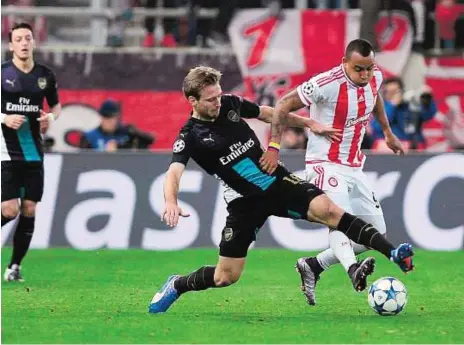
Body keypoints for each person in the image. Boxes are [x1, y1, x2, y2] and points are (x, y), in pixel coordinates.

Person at [149, 66, 414, 313]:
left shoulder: (229, 104)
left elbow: (268, 113)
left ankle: (391, 251)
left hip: (277, 181)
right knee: (225, 277)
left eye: (218, 95)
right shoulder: (190, 136)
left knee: (330, 211)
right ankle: (178, 284)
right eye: (210, 99)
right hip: (244, 202)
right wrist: (171, 201)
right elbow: (174, 172)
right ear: (193, 101)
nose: (217, 102)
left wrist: (309, 123)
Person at [259, 39, 412, 306]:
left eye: (368, 68)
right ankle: (353, 269)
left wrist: (388, 132)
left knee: (375, 234)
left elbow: (374, 97)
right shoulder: (326, 83)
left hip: (354, 165)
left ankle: (313, 265)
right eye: (358, 69)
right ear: (345, 64)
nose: (364, 75)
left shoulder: (375, 77)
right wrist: (273, 146)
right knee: (337, 218)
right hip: (324, 163)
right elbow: (282, 104)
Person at [1, 22, 62, 282]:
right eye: (18, 39)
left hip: (34, 152)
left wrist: (51, 117)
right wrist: (4, 118)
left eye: (28, 38)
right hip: (7, 151)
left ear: (33, 42)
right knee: (9, 210)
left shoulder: (45, 75)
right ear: (11, 44)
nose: (24, 43)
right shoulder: (2, 73)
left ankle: (14, 267)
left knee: (29, 209)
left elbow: (57, 107)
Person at [370, 77, 437, 150]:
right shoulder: (380, 107)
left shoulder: (409, 105)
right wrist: (392, 104)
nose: (393, 95)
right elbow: (377, 127)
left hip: (412, 146)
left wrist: (428, 101)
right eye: (390, 92)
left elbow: (427, 115)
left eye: (396, 92)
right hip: (387, 146)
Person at [79, 99, 155, 151]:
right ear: (101, 118)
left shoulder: (125, 133)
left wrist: (134, 132)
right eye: (108, 119)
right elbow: (83, 161)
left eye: (114, 119)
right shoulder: (90, 137)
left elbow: (150, 140)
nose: (112, 122)